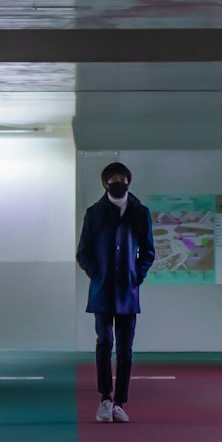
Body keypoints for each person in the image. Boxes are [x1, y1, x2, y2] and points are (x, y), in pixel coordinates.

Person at [76, 162, 155, 423]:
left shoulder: (139, 212)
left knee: (125, 349)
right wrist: (97, 274)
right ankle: (104, 399)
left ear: (129, 182)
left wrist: (136, 276)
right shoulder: (95, 213)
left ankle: (119, 402)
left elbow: (148, 252)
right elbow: (83, 252)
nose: (118, 183)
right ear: (105, 183)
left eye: (122, 179)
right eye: (113, 180)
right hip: (101, 290)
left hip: (128, 292)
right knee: (103, 344)